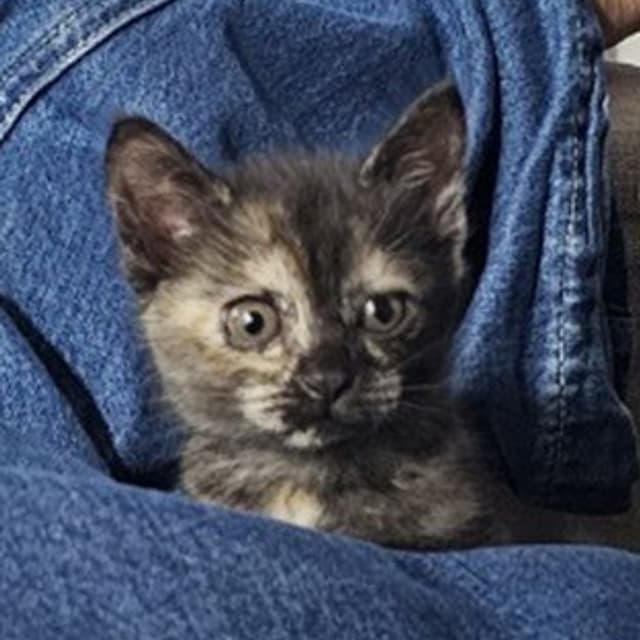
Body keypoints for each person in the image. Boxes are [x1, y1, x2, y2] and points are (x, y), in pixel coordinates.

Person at [0, 1, 639, 638]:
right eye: (254, 324)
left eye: (382, 312)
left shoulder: (447, 501)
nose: (327, 372)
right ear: (158, 249)